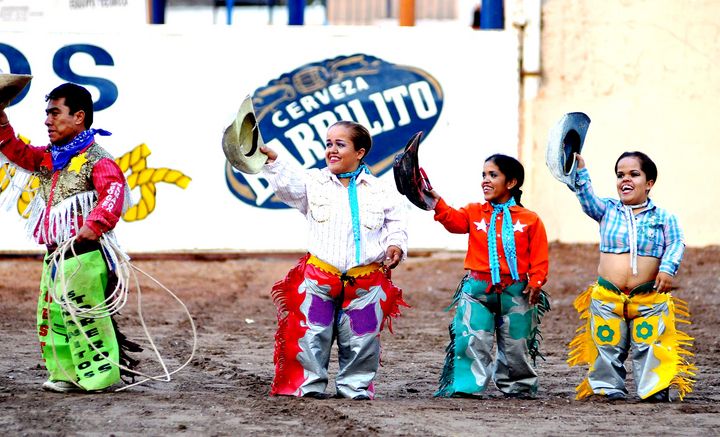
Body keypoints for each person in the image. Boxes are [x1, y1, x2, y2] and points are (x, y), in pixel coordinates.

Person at [0, 82, 139, 393]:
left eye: (54, 113)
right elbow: (17, 152)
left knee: (84, 317)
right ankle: (65, 375)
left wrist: (97, 223)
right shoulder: (50, 157)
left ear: (78, 116)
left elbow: (113, 192)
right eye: (47, 114)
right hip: (56, 254)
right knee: (54, 318)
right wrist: (0, 119)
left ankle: (100, 378)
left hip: (84, 254)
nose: (47, 121)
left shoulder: (98, 158)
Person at [259, 120, 408, 400]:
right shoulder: (313, 182)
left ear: (360, 152)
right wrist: (273, 160)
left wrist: (396, 245)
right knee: (311, 334)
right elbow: (287, 184)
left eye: (340, 144)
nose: (332, 150)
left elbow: (395, 224)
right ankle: (307, 385)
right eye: (328, 144)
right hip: (319, 278)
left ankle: (355, 387)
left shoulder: (382, 190)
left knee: (362, 339)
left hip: (366, 281)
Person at [567, 152, 695, 402]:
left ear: (649, 183)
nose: (625, 179)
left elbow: (676, 243)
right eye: (620, 175)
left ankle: (654, 388)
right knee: (605, 342)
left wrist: (667, 269)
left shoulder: (664, 217)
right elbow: (585, 197)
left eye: (633, 174)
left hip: (648, 299)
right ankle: (606, 387)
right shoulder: (607, 209)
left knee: (652, 342)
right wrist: (580, 170)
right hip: (608, 297)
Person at [426, 154, 550, 399]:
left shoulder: (529, 219)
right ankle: (467, 386)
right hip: (477, 291)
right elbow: (453, 222)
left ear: (511, 182)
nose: (485, 180)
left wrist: (536, 281)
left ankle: (519, 386)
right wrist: (436, 202)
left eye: (493, 175)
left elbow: (539, 255)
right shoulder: (473, 212)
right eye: (483, 175)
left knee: (517, 343)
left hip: (517, 292)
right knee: (470, 338)